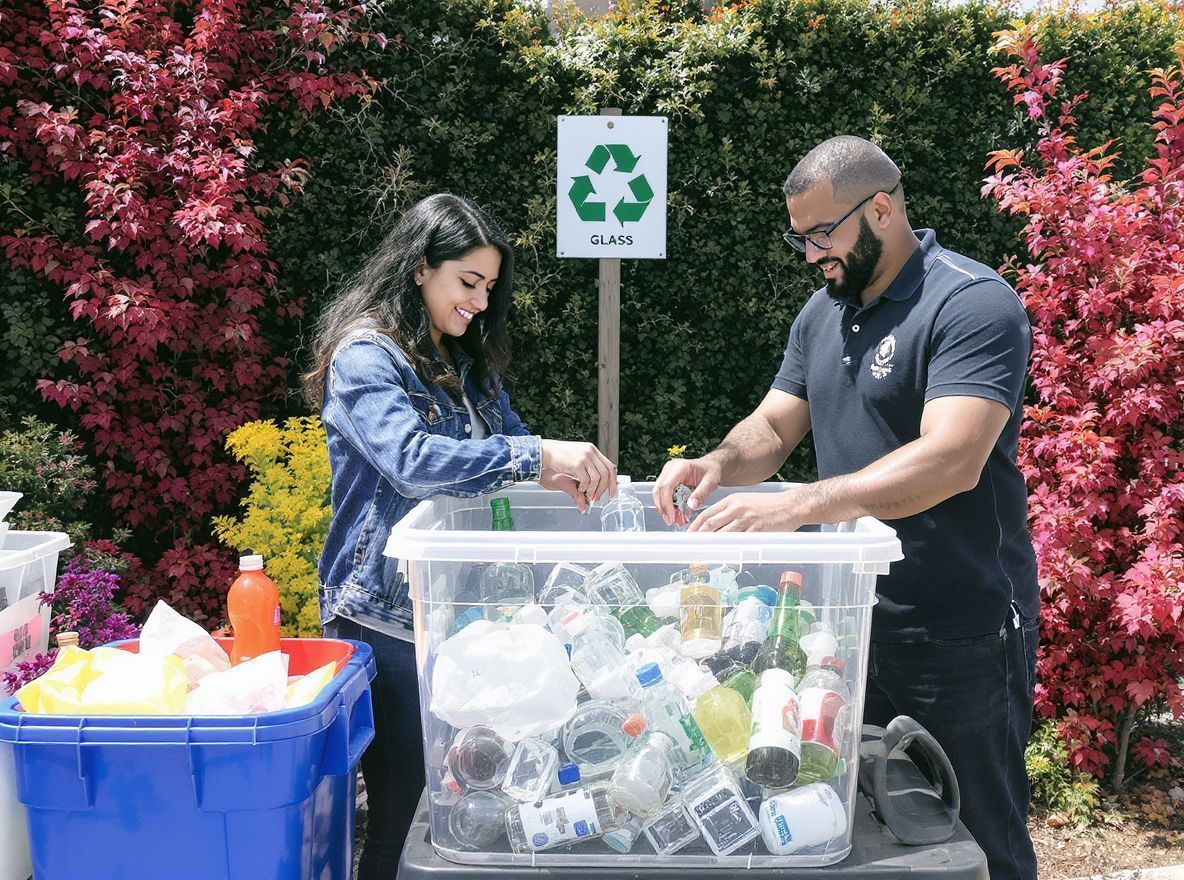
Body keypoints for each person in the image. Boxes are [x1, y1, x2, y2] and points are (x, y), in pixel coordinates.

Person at [653, 136, 1039, 880]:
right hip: (848, 632)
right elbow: (772, 427)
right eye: (799, 238)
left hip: (957, 633)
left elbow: (953, 459)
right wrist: (717, 464)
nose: (809, 255)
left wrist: (803, 504)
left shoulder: (971, 303)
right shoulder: (822, 314)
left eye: (822, 235)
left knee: (976, 844)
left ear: (882, 210)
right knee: (847, 836)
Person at [305, 193, 616, 878]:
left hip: (458, 615)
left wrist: (552, 476)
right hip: (385, 620)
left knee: (464, 799)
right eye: (467, 282)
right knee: (402, 809)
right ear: (420, 267)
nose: (478, 301)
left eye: (489, 287)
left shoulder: (464, 363)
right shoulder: (367, 357)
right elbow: (411, 462)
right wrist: (536, 457)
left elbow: (506, 446)